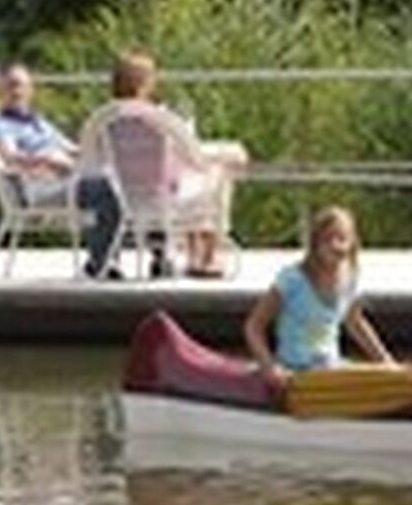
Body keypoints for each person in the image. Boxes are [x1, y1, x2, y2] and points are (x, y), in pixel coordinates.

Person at [85, 50, 242, 277]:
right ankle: (208, 256)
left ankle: (192, 253)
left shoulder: (106, 118)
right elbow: (194, 157)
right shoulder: (159, 117)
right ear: (145, 83)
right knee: (219, 175)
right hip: (165, 198)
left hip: (126, 197)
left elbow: (94, 157)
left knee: (211, 171)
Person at [0, 63, 125, 277]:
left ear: (31, 90)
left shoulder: (38, 122)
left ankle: (104, 260)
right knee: (105, 191)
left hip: (67, 179)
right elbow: (10, 158)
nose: (17, 92)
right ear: (1, 91)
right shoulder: (3, 124)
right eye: (12, 86)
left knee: (118, 183)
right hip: (41, 186)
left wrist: (100, 149)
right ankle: (101, 262)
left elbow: (71, 149)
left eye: (22, 86)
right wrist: (47, 161)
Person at [245, 204, 393, 380]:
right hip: (294, 370)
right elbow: (254, 327)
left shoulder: (350, 277)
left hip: (330, 366)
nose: (335, 245)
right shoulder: (292, 279)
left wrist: (386, 362)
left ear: (352, 242)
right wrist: (269, 366)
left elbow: (355, 322)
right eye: (328, 239)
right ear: (315, 244)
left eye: (342, 238)